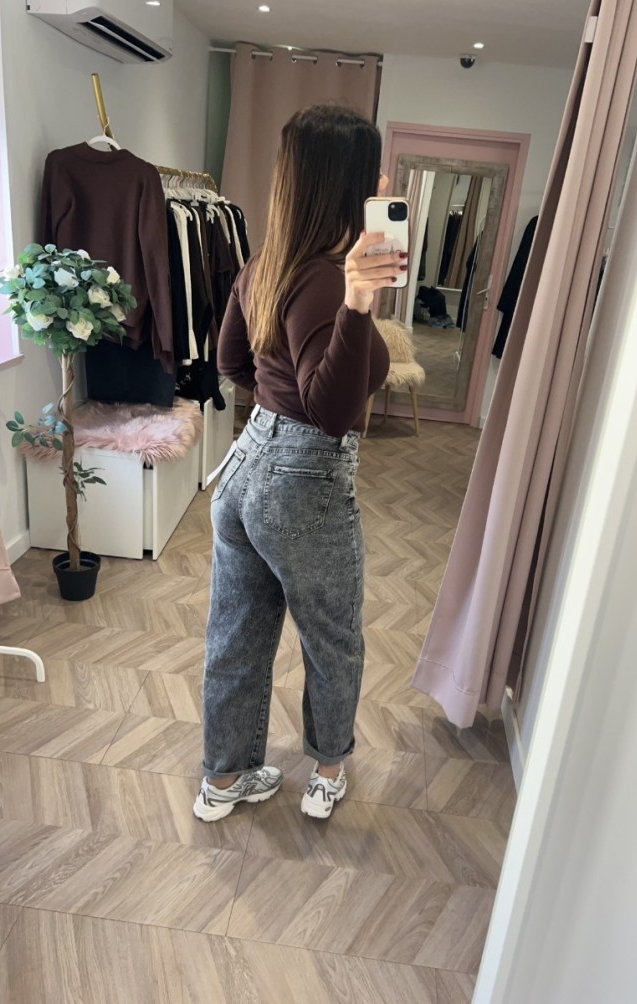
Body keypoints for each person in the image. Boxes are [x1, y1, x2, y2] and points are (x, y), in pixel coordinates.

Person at [193, 104, 407, 823]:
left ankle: (223, 780)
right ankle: (327, 772)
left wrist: (275, 401)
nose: (382, 183)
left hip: (246, 466)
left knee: (236, 633)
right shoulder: (323, 281)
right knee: (332, 635)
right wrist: (356, 305)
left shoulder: (265, 263)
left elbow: (231, 363)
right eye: (372, 171)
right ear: (347, 182)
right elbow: (331, 410)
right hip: (303, 480)